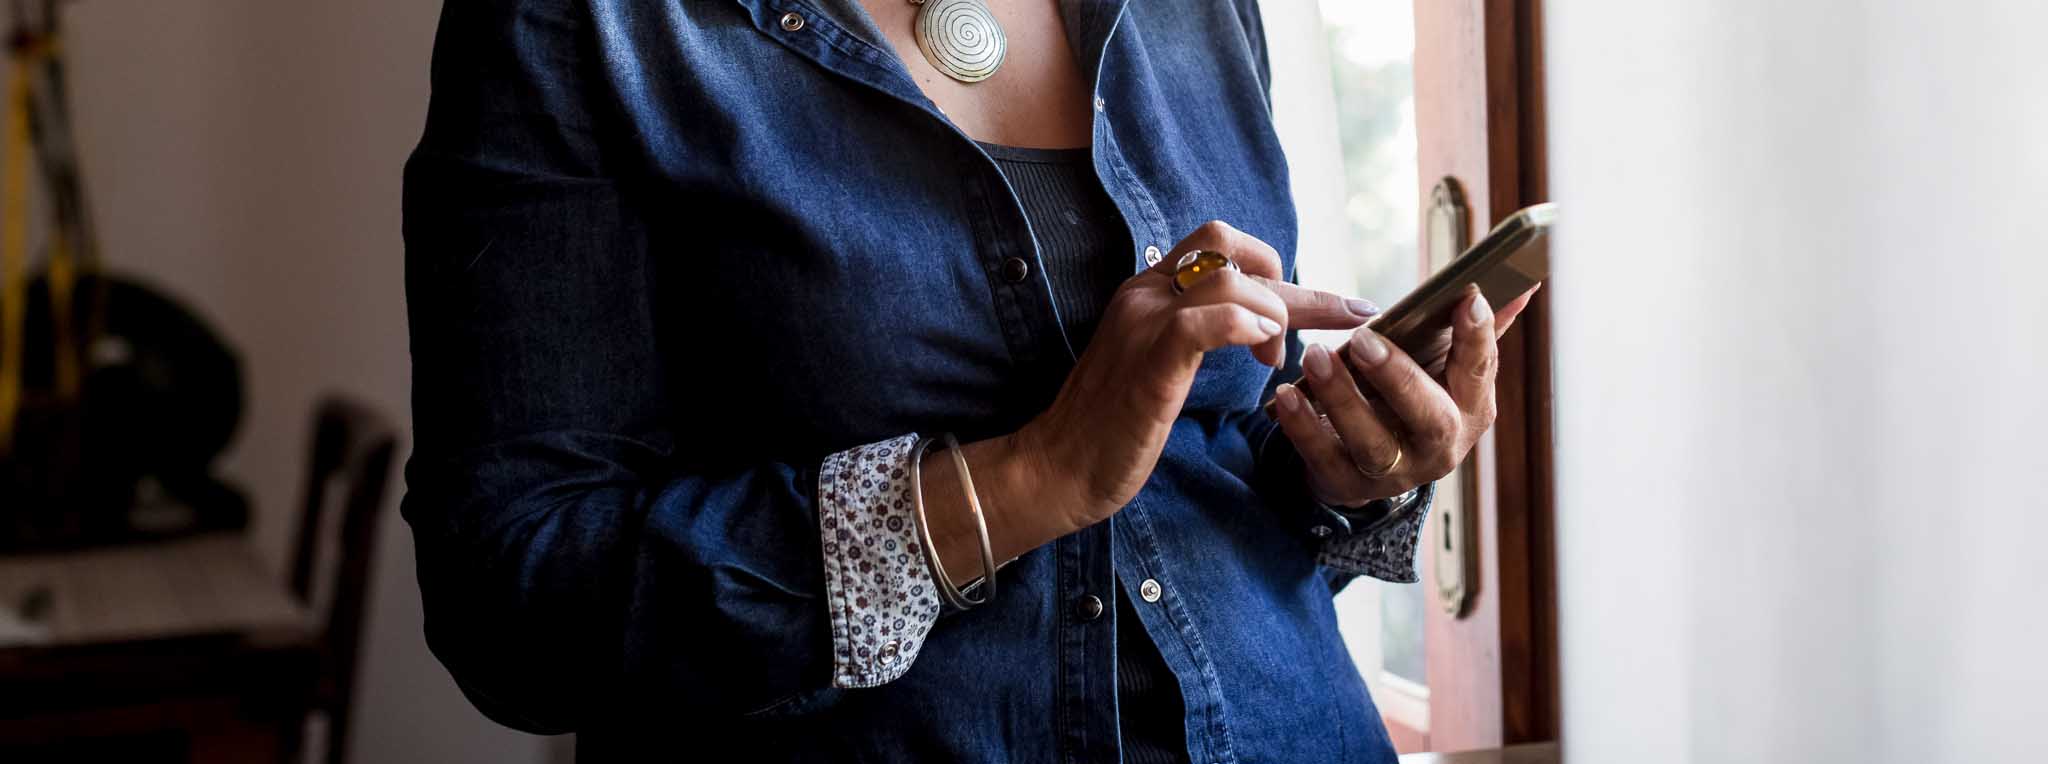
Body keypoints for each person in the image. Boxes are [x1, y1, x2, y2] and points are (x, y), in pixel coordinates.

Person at [400, 0, 1532, 760]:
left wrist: (1348, 468)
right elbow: (509, 602)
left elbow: (1197, 485)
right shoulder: (580, 26)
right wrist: (1026, 478)